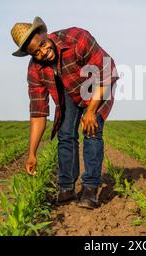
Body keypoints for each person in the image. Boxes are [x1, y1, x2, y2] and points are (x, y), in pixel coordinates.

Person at [10, 16, 119, 209]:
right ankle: (66, 188)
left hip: (98, 86)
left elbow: (107, 71)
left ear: (44, 33)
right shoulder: (35, 70)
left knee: (91, 130)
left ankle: (90, 189)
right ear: (30, 55)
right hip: (70, 89)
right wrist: (32, 154)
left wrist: (91, 110)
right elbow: (38, 113)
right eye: (36, 52)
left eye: (43, 44)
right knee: (65, 133)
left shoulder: (77, 38)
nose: (44, 52)